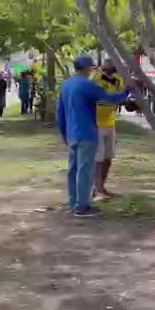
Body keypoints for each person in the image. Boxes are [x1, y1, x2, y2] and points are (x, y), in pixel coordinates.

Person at [57, 55, 130, 217]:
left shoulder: (66, 85)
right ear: (86, 68)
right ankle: (82, 207)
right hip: (87, 133)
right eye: (91, 67)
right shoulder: (87, 85)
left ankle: (74, 202)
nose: (92, 70)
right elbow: (111, 98)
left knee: (73, 170)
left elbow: (60, 113)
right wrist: (128, 90)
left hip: (72, 134)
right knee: (85, 170)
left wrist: (63, 133)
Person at [93, 59, 125, 199]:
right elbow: (105, 98)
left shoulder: (119, 79)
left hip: (110, 122)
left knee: (108, 159)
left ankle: (101, 188)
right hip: (97, 123)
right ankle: (97, 189)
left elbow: (121, 97)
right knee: (98, 159)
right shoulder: (96, 79)